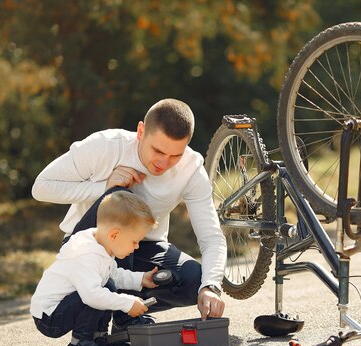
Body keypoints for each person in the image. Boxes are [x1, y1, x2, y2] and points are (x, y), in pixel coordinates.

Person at [31, 98, 226, 329]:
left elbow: (211, 237)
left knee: (194, 280)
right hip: (91, 248)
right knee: (121, 196)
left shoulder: (192, 169)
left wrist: (211, 286)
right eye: (158, 150)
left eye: (175, 155)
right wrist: (105, 187)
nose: (164, 163)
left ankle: (125, 313)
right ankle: (102, 323)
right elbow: (41, 187)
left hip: (143, 249)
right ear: (141, 131)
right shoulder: (106, 146)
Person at [30, 191, 159, 346]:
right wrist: (127, 303)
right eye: (134, 241)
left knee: (109, 285)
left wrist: (140, 279)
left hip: (67, 305)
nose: (136, 247)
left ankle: (99, 340)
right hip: (50, 317)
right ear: (114, 235)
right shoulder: (86, 254)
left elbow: (113, 274)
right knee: (99, 293)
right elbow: (92, 296)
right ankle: (80, 345)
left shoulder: (102, 244)